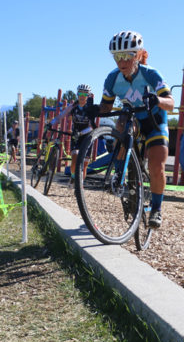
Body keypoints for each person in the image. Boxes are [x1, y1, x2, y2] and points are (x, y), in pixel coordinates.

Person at [100, 30, 174, 229]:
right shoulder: (112, 78)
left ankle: (156, 209)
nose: (122, 61)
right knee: (121, 122)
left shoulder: (151, 74)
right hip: (132, 118)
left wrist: (157, 99)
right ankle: (119, 172)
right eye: (117, 56)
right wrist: (93, 109)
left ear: (139, 54)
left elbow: (171, 103)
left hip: (155, 121)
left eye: (127, 55)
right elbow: (105, 107)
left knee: (156, 166)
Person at [50, 84, 99, 181]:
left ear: (88, 96)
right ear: (77, 94)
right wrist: (50, 123)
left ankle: (80, 185)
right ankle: (73, 177)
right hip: (76, 136)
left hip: (88, 136)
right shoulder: (73, 106)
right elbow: (60, 116)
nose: (82, 96)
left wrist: (80, 133)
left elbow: (91, 127)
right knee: (75, 156)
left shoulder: (91, 108)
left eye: (85, 94)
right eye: (80, 93)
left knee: (85, 164)